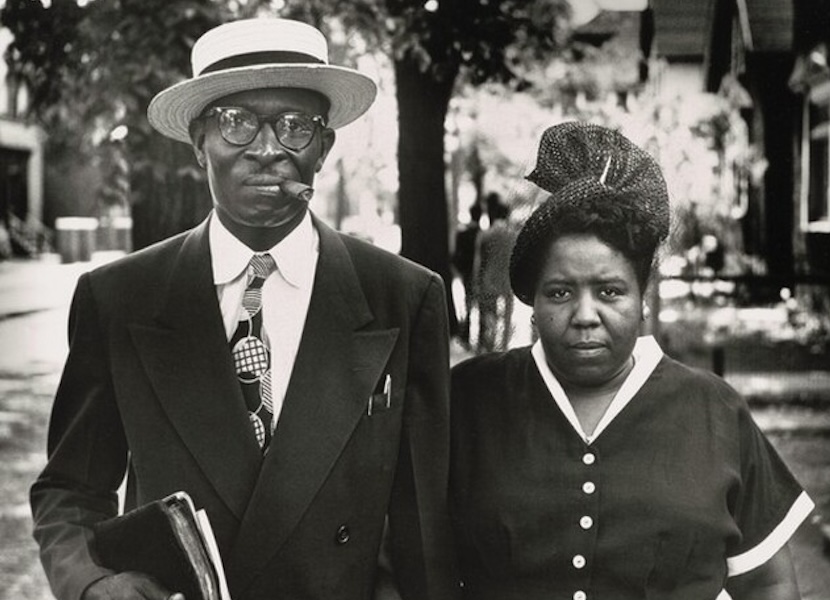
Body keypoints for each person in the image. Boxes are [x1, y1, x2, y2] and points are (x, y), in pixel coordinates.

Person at [31, 18, 458, 600]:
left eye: (295, 127)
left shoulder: (404, 298)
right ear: (198, 144)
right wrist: (92, 583)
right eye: (236, 124)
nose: (266, 150)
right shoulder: (119, 298)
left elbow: (423, 524)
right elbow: (71, 487)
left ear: (324, 147)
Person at [449, 122, 814, 600]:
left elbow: (770, 583)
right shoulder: (470, 399)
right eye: (559, 292)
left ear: (643, 297)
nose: (585, 316)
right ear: (532, 302)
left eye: (609, 291)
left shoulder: (714, 411)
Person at [472, 193, 515, 352]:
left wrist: (476, 282)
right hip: (507, 281)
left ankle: (488, 347)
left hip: (488, 280)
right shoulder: (513, 236)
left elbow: (478, 262)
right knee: (506, 318)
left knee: (489, 317)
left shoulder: (485, 235)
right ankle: (503, 348)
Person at [452, 201, 483, 348]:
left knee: (467, 305)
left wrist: (459, 270)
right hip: (480, 275)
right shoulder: (482, 234)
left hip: (466, 273)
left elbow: (456, 255)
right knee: (482, 306)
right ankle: (482, 338)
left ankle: (466, 337)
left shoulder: (462, 234)